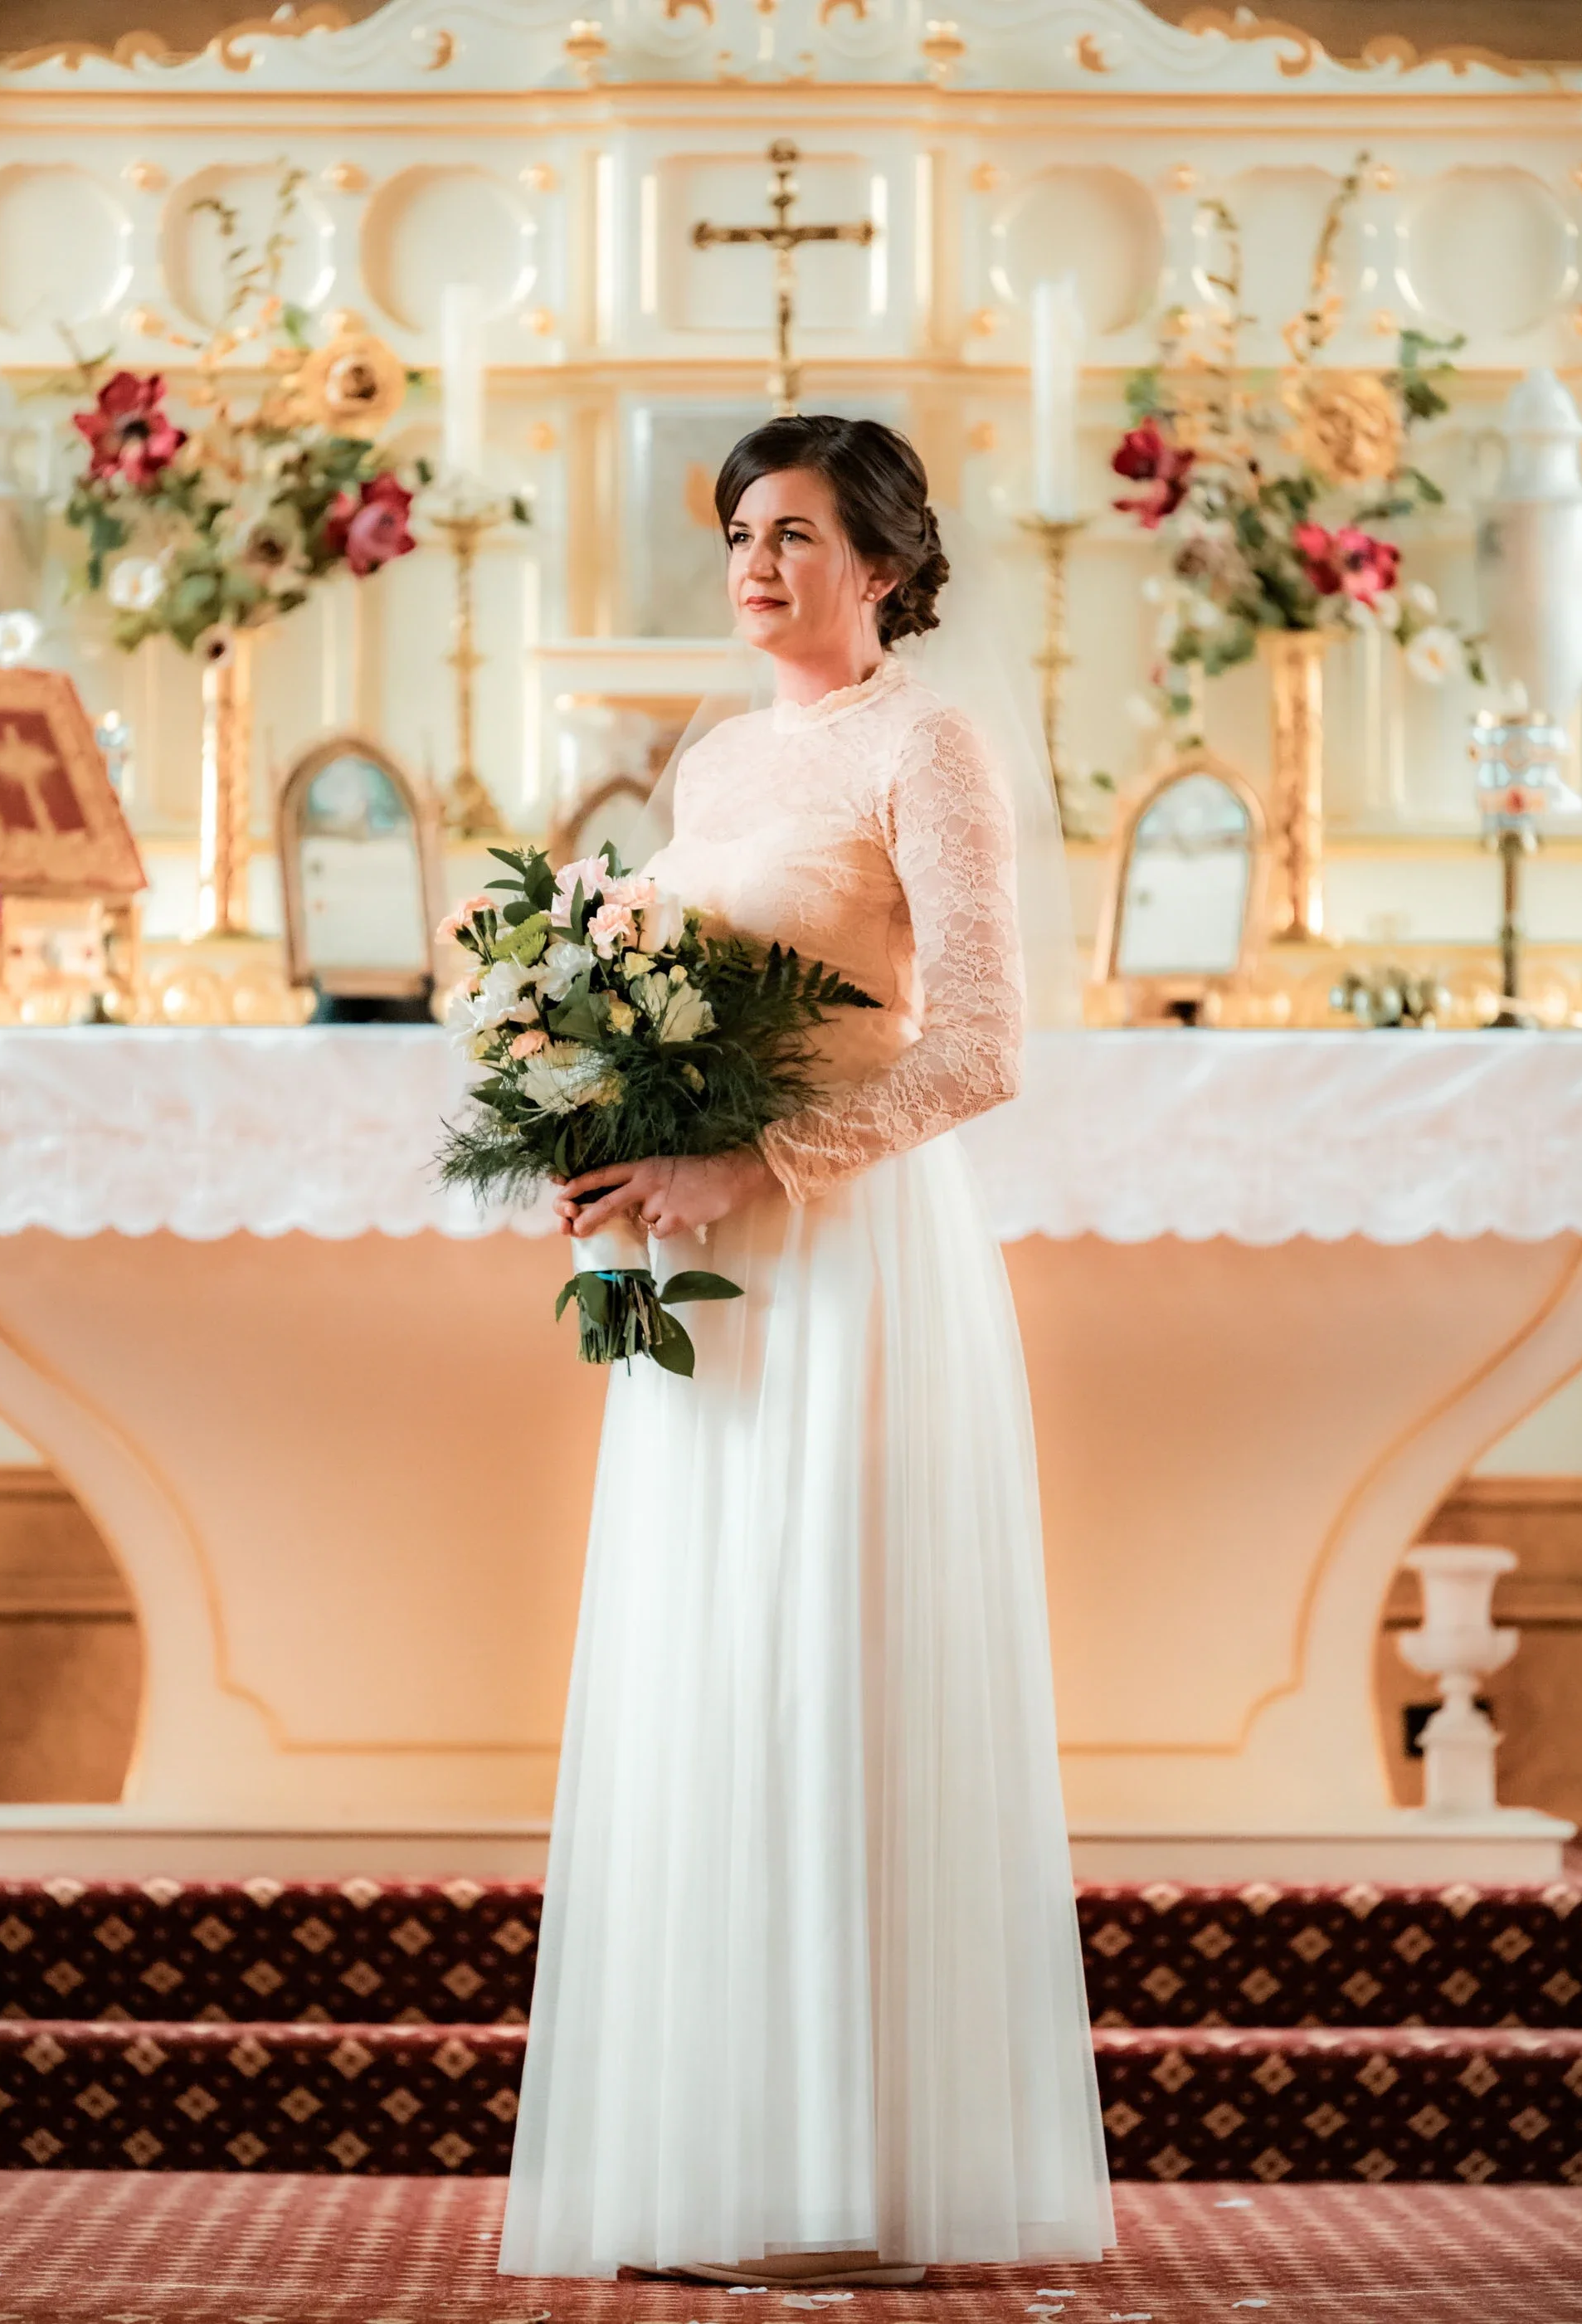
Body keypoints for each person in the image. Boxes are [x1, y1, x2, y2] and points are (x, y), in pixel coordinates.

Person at [499, 415, 1113, 2284]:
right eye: (739, 533)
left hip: (854, 1266)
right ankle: (720, 2159)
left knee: (834, 1663)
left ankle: (859, 2170)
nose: (754, 564)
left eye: (793, 534)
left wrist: (745, 1155)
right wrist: (604, 1140)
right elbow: (670, 1002)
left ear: (885, 566)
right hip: (713, 1281)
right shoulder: (716, 763)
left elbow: (982, 1041)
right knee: (715, 1668)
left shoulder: (928, 742)